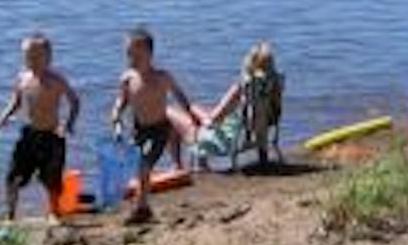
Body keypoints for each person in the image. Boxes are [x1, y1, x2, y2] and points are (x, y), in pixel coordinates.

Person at [109, 26, 198, 225]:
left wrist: (191, 114)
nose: (130, 58)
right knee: (138, 167)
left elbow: (180, 95)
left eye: (135, 54)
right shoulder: (127, 79)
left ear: (149, 54)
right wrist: (116, 117)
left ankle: (141, 207)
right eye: (128, 54)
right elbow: (121, 102)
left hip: (160, 129)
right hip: (139, 129)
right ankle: (144, 207)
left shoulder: (162, 77)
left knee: (144, 165)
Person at [0, 32, 81, 221]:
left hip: (53, 135)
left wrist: (68, 124)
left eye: (36, 56)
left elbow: (74, 101)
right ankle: (10, 215)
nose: (32, 60)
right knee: (13, 177)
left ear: (49, 57)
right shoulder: (22, 78)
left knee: (52, 179)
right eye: (27, 56)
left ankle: (54, 213)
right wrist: (3, 117)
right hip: (29, 134)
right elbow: (15, 102)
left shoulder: (57, 80)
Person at [195, 41, 286, 169]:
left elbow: (217, 115)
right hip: (264, 128)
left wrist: (205, 118)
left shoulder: (243, 86)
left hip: (240, 135)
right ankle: (263, 155)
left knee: (196, 111)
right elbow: (277, 109)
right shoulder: (276, 83)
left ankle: (202, 164)